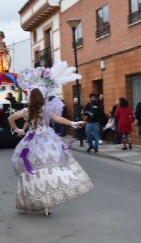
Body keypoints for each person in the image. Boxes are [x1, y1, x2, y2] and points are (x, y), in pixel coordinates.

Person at [9, 62, 93, 216]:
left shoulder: (26, 110)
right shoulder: (45, 109)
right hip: (47, 140)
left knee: (31, 172)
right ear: (41, 97)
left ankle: (36, 198)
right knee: (52, 167)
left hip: (30, 141)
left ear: (29, 97)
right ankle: (48, 200)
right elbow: (58, 119)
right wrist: (73, 123)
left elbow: (11, 118)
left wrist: (18, 130)